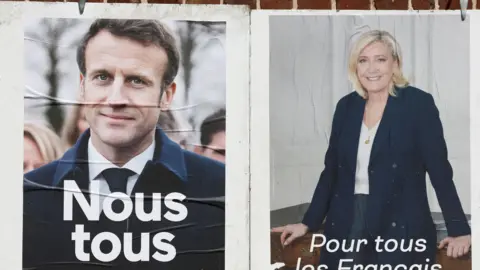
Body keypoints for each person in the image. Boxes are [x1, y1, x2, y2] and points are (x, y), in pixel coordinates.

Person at [23, 19, 225, 270]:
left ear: (167, 96)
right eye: (102, 77)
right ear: (83, 86)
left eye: (136, 81)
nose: (116, 99)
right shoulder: (27, 198)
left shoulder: (221, 190)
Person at [272, 30, 471, 268]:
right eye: (363, 61)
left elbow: (440, 170)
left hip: (400, 225)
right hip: (347, 223)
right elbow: (331, 172)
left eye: (380, 59)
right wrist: (307, 223)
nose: (371, 69)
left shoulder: (418, 104)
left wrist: (459, 228)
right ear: (355, 68)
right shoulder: (346, 107)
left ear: (395, 64)